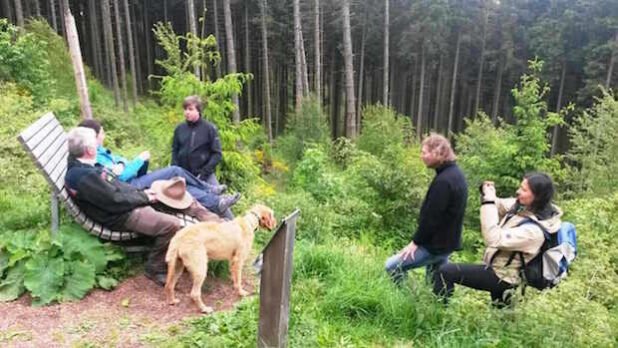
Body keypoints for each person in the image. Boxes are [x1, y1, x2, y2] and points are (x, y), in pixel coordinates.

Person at [64, 127, 220, 286]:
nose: (98, 146)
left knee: (177, 196)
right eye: (95, 145)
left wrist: (144, 194)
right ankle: (155, 266)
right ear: (90, 150)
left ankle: (218, 225)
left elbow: (117, 189)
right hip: (121, 215)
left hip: (127, 202)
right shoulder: (84, 176)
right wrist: (143, 197)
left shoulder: (85, 167)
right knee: (171, 224)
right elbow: (115, 201)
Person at [435, 172, 563, 306]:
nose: (518, 191)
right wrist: (487, 192)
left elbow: (493, 238)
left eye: (524, 190)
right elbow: (499, 204)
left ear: (537, 196)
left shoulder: (534, 231)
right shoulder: (526, 208)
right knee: (503, 318)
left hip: (504, 278)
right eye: (520, 187)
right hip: (503, 271)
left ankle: (438, 313)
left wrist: (489, 201)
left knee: (445, 271)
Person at [77, 119, 239, 219]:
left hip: (136, 180)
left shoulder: (100, 152)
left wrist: (134, 164)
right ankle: (208, 189)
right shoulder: (95, 157)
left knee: (180, 186)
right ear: (93, 136)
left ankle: (216, 203)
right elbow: (120, 178)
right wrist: (138, 160)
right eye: (102, 134)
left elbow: (122, 165)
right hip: (132, 187)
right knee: (175, 171)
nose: (104, 136)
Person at [385, 133, 468, 288]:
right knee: (435, 283)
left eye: (424, 152)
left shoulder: (444, 181)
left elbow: (432, 219)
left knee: (392, 266)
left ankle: (406, 300)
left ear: (438, 153)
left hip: (435, 245)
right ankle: (436, 309)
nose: (421, 156)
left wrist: (416, 242)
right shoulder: (456, 174)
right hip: (447, 242)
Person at [172, 95, 222, 185]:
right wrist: (175, 170)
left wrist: (204, 173)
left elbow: (217, 154)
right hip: (183, 175)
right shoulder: (179, 128)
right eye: (185, 109)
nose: (187, 112)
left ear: (198, 110)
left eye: (190, 109)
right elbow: (175, 151)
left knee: (217, 197)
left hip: (205, 175)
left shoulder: (209, 128)